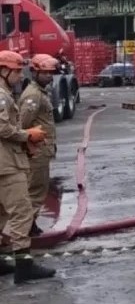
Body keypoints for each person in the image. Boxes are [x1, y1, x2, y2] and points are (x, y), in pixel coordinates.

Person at [0, 50, 53, 284]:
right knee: (22, 212)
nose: (20, 75)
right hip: (8, 164)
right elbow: (4, 129)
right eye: (17, 70)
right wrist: (27, 136)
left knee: (1, 212)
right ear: (4, 71)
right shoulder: (2, 96)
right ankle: (24, 265)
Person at [20, 54, 58, 238]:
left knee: (37, 189)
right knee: (35, 190)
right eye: (45, 73)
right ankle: (25, 229)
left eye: (51, 73)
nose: (49, 76)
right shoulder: (33, 96)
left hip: (42, 148)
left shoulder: (40, 92)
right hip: (37, 151)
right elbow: (23, 124)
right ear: (35, 72)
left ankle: (29, 225)